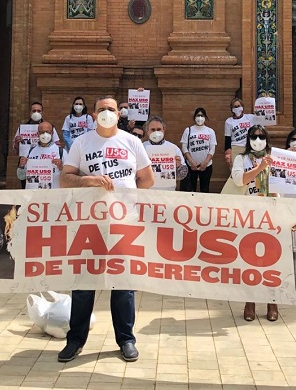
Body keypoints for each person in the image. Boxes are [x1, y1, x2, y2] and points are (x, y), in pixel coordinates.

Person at [58, 96, 154, 363]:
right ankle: (75, 340)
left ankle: (126, 340)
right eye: (102, 109)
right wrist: (89, 181)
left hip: (124, 224)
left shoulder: (132, 142)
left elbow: (147, 179)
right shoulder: (82, 142)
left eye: (111, 109)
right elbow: (64, 179)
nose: (107, 113)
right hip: (89, 223)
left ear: (118, 114)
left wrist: (124, 199)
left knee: (123, 285)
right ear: (93, 114)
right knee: (84, 284)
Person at [230, 125, 279, 322]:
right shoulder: (241, 159)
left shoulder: (276, 158)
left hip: (273, 213)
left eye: (261, 136)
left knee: (272, 259)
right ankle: (249, 302)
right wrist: (260, 168)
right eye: (254, 136)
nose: (257, 139)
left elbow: (288, 181)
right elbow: (239, 180)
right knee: (249, 260)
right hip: (249, 215)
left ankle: (272, 301)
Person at [143, 116, 187, 191]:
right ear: (147, 131)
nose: (156, 132)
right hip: (147, 192)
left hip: (168, 193)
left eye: (159, 129)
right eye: (153, 130)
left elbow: (182, 175)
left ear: (164, 130)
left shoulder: (173, 148)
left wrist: (178, 166)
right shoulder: (141, 147)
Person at [180, 107, 217, 193]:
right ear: (194, 117)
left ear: (205, 117)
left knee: (205, 189)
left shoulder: (210, 131)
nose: (200, 117)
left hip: (206, 166)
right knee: (190, 190)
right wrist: (191, 162)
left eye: (202, 115)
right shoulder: (188, 130)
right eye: (198, 115)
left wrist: (205, 162)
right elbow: (184, 147)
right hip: (191, 166)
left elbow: (212, 149)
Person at [19, 121, 64, 189]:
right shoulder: (30, 151)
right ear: (38, 133)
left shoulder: (61, 152)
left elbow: (69, 176)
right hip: (33, 195)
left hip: (53, 194)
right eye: (42, 132)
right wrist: (21, 166)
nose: (45, 134)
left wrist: (61, 167)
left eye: (48, 132)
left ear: (52, 133)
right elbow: (21, 176)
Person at [224, 97, 256, 165]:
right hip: (236, 147)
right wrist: (228, 155)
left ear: (242, 107)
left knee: (250, 170)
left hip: (249, 147)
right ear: (232, 109)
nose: (237, 108)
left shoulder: (250, 118)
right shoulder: (229, 121)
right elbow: (227, 139)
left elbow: (263, 121)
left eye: (238, 106)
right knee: (236, 171)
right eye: (234, 107)